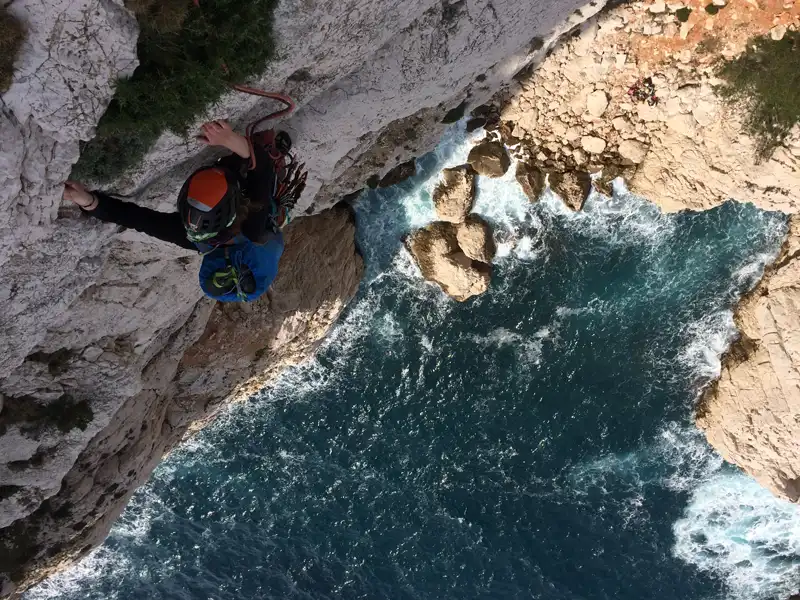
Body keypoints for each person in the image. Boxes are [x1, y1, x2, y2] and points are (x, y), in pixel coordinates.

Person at [64, 120, 306, 302]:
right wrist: (230, 139)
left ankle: (257, 156)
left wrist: (88, 201)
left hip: (237, 188)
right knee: (264, 167)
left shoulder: (191, 236)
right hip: (254, 202)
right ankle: (277, 153)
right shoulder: (254, 224)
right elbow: (262, 168)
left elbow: (137, 219)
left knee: (252, 159)